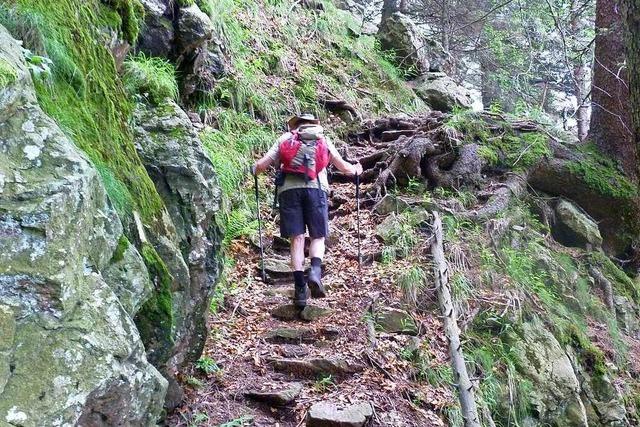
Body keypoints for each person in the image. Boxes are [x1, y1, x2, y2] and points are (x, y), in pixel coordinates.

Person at [253, 113, 363, 307]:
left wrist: (253, 169)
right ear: (313, 124)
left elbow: (262, 165)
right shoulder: (322, 138)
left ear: (295, 125)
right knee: (318, 236)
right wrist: (356, 170)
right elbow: (343, 167)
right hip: (316, 190)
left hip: (289, 192)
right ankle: (314, 270)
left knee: (297, 238)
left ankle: (300, 289)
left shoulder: (285, 139)